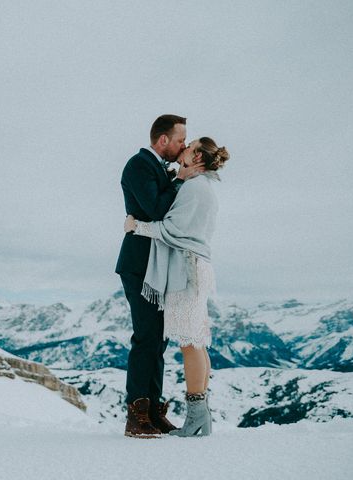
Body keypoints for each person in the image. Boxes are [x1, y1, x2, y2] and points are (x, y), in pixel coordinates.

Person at [124, 137, 230, 437]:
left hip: (186, 270)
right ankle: (201, 417)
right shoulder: (200, 185)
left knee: (190, 342)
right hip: (193, 267)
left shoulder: (196, 188)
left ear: (196, 157)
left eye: (188, 144)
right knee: (195, 339)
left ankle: (197, 416)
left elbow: (173, 228)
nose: (183, 147)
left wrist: (137, 227)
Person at [115, 114, 204, 438]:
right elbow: (155, 209)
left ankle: (153, 409)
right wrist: (179, 179)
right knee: (145, 336)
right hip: (139, 263)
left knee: (158, 338)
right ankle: (136, 413)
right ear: (163, 140)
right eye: (181, 140)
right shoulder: (138, 165)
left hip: (156, 265)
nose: (183, 145)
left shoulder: (156, 169)